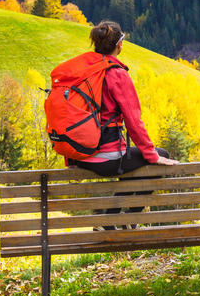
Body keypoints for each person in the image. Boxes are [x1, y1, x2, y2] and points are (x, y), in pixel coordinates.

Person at [69, 19, 178, 224]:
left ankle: (114, 220)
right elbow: (133, 122)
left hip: (80, 156)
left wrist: (70, 158)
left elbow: (70, 115)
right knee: (159, 156)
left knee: (134, 160)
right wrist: (152, 155)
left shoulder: (83, 74)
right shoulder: (116, 74)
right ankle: (128, 218)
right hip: (105, 157)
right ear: (119, 44)